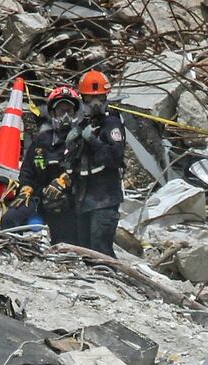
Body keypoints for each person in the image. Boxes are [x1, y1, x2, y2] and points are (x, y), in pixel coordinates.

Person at [1, 84, 80, 245]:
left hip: (67, 202)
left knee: (64, 241)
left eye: (69, 111)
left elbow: (82, 169)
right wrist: (26, 189)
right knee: (11, 217)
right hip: (38, 198)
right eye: (60, 111)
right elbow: (27, 171)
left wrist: (64, 182)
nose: (65, 116)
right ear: (52, 113)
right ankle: (13, 247)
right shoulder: (41, 141)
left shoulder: (80, 140)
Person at [64, 69, 125, 257]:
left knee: (100, 250)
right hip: (84, 199)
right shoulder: (82, 126)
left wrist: (94, 141)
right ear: (82, 100)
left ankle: (109, 282)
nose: (95, 104)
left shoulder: (112, 125)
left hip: (105, 200)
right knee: (84, 249)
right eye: (90, 100)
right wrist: (71, 144)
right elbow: (73, 163)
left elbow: (115, 159)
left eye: (99, 98)